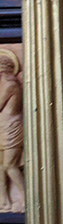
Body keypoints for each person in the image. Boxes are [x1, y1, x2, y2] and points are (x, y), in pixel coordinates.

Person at [0, 51, 24, 211]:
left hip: (11, 129)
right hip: (2, 128)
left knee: (10, 165)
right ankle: (4, 201)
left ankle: (26, 199)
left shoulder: (11, 85)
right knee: (1, 166)